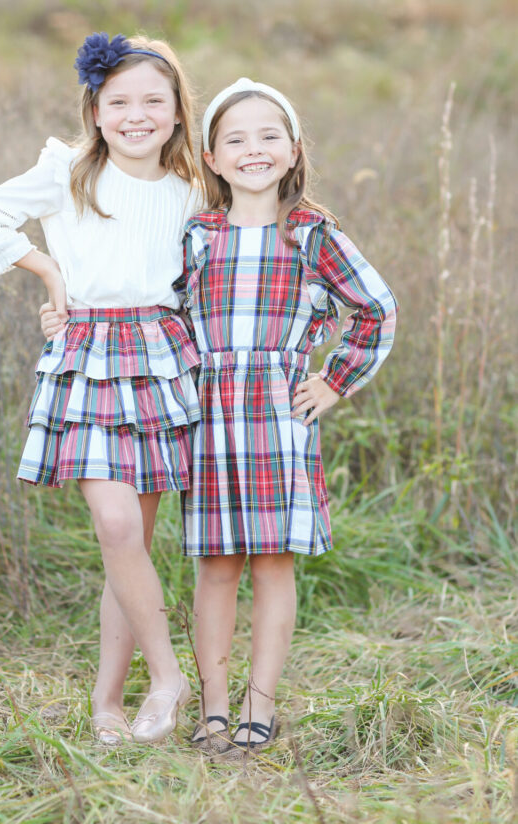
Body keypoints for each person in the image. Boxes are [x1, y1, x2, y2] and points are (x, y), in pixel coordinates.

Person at [0, 33, 202, 745]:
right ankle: (169, 677)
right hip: (87, 352)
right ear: (95, 110)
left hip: (159, 356)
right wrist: (48, 274)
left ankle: (107, 703)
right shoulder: (66, 172)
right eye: (118, 101)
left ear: (178, 112)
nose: (136, 114)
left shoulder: (191, 188)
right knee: (116, 528)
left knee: (133, 546)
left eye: (153, 100)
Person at [182, 78, 397, 757]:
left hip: (278, 418)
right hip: (208, 417)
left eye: (268, 135)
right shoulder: (196, 233)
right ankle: (212, 707)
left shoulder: (310, 233)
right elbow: (155, 313)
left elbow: (376, 309)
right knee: (216, 566)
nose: (253, 149)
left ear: (294, 149)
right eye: (235, 139)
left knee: (273, 563)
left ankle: (258, 707)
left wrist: (333, 382)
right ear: (211, 158)